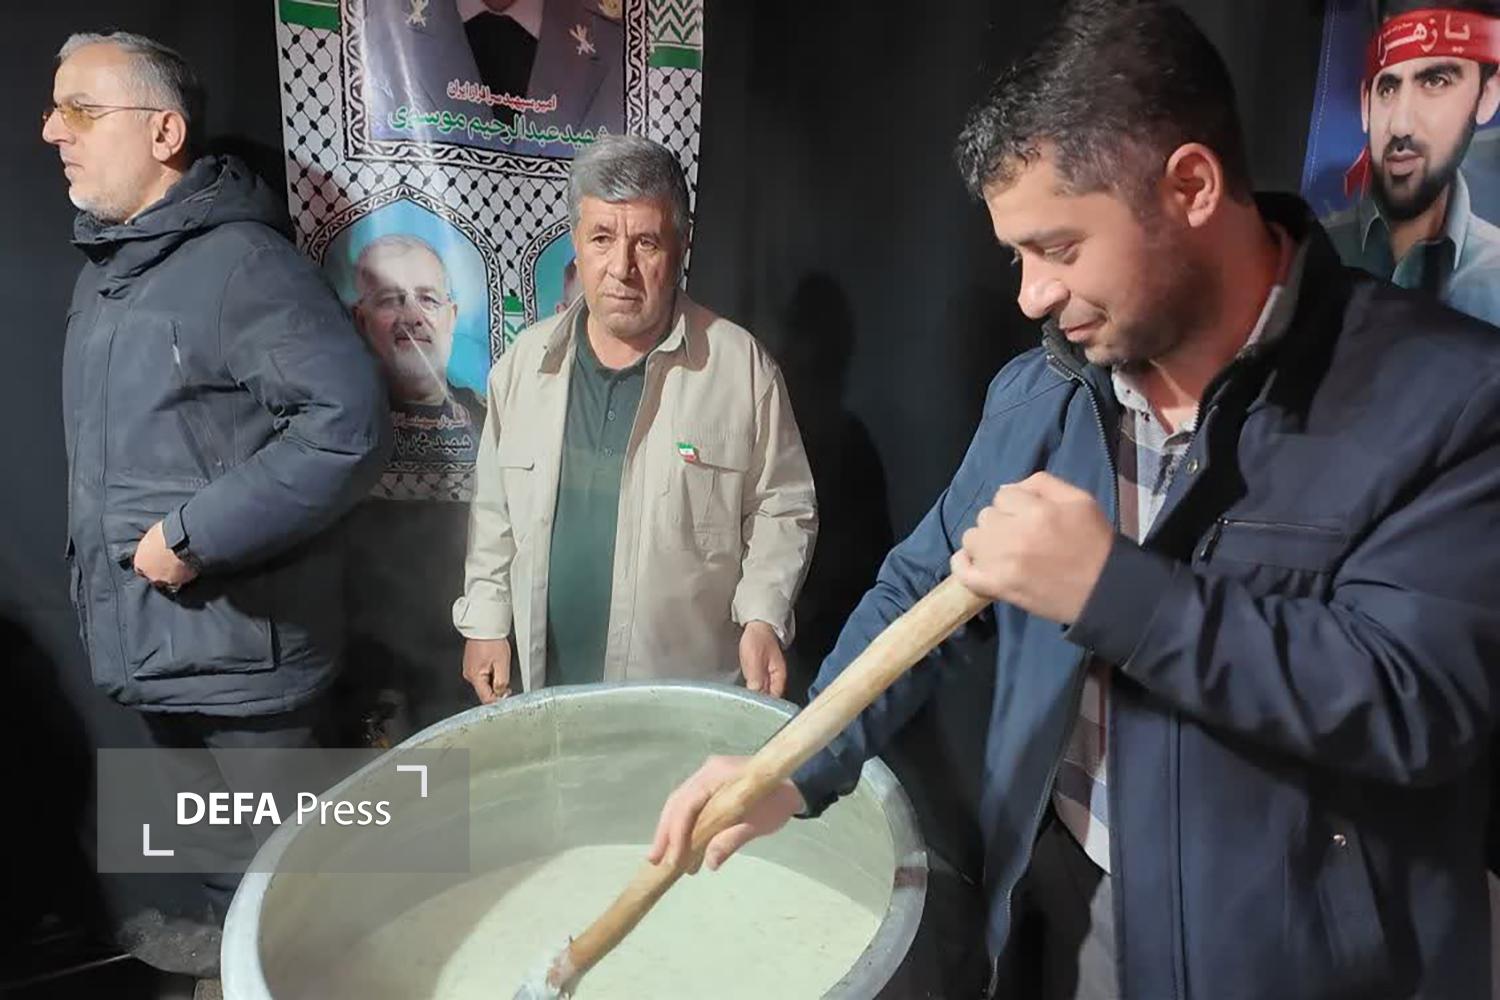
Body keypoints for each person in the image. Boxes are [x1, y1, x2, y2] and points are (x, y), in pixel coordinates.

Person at [650, 2, 1500, 998]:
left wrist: (1112, 591)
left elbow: (1414, 700)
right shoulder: (1047, 388)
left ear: (1191, 186)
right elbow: (923, 588)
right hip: (1055, 897)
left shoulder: (1446, 396)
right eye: (1018, 256)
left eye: (1057, 248)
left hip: (1281, 961)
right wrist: (792, 763)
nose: (1031, 296)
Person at [43, 29, 389, 972]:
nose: (52, 131)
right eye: (55, 109)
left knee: (302, 886)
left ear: (164, 132)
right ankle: (232, 968)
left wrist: (189, 537)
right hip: (156, 643)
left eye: (80, 110)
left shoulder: (242, 264)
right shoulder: (108, 273)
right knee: (220, 857)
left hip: (243, 657)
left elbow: (348, 428)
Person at [453, 135, 817, 701]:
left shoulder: (740, 370)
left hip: (677, 702)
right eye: (601, 238)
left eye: (646, 242)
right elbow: (495, 509)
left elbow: (783, 506)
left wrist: (763, 616)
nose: (621, 268)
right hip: (544, 689)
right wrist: (485, 620)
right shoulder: (524, 366)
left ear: (682, 246)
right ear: (576, 242)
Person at [1324, 0, 1500, 322]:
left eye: (1435, 81)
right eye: (1388, 88)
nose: (1400, 125)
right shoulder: (1313, 255)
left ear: (1487, 94)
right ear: (1366, 104)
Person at [352, 233, 484, 467]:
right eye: (390, 299)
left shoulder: (490, 418)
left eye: (428, 299)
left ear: (451, 318)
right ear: (361, 320)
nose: (413, 317)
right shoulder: (341, 421)